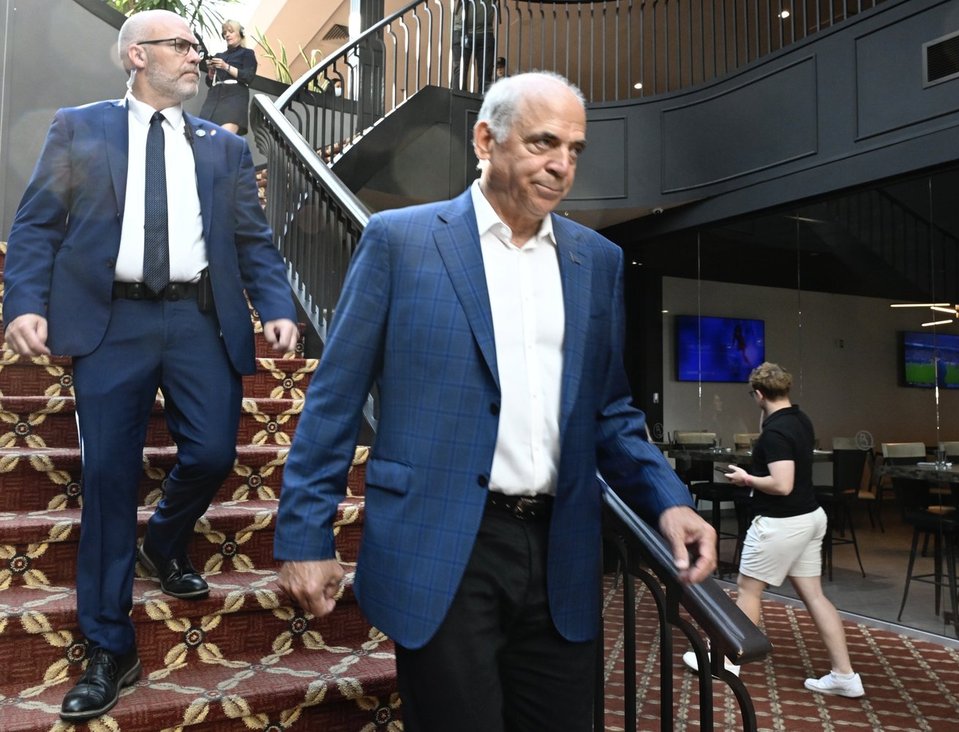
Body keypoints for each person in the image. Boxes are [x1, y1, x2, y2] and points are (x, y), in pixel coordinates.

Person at [273, 71, 717, 731]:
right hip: (447, 540)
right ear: (486, 138)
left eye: (574, 149)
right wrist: (305, 534)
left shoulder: (594, 260)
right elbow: (334, 399)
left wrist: (667, 498)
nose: (562, 165)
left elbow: (611, 411)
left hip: (562, 547)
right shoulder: (402, 242)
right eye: (543, 143)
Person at [3, 9, 299, 721]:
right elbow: (38, 222)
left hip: (200, 319)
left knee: (214, 450)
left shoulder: (222, 148)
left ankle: (164, 537)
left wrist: (277, 303)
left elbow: (252, 239)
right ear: (137, 55)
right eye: (182, 46)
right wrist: (23, 303)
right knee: (108, 478)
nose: (196, 57)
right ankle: (110, 646)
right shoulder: (81, 127)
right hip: (113, 321)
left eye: (196, 47)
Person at [684, 362, 864, 698]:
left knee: (748, 589)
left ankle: (724, 662)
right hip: (809, 517)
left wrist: (746, 479)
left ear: (758, 393)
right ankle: (845, 675)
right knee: (814, 596)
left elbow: (782, 484)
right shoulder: (798, 419)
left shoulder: (776, 433)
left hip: (782, 523)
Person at [198, 19, 256, 135]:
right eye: (225, 33)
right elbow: (209, 82)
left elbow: (248, 77)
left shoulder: (247, 53)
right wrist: (211, 74)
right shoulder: (219, 55)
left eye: (230, 31)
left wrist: (225, 66)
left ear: (240, 33)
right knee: (204, 136)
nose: (227, 35)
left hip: (234, 98)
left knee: (223, 138)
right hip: (214, 98)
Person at [452, 0, 496, 93]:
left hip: (485, 31)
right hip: (461, 31)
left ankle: (484, 105)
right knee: (460, 72)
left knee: (486, 73)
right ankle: (459, 105)